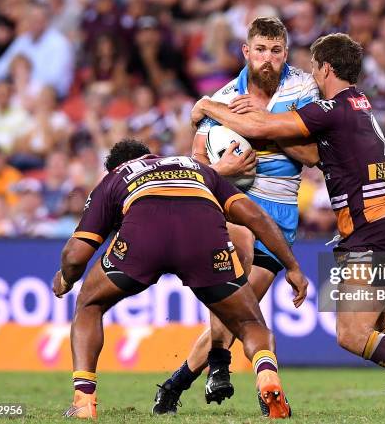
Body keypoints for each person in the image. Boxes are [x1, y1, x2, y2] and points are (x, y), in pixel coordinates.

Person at [191, 33, 385, 417]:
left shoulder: (331, 108)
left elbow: (261, 128)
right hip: (381, 225)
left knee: (352, 334)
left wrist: (208, 106)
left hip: (373, 231)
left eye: (315, 67)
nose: (312, 75)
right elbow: (304, 150)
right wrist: (273, 132)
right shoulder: (358, 105)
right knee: (381, 317)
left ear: (326, 68)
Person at [52, 139, 308, 419]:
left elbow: (76, 255)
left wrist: (66, 279)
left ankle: (84, 400)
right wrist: (292, 266)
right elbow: (255, 217)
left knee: (89, 305)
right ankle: (266, 375)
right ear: (153, 155)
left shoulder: (116, 177)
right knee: (250, 323)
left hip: (144, 237)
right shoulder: (196, 168)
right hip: (204, 239)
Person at [156, 17, 318, 413]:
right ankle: (259, 388)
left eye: (276, 50)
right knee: (240, 308)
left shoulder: (304, 88)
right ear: (246, 51)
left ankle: (178, 384)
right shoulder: (225, 97)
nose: (268, 59)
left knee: (237, 311)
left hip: (280, 219)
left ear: (285, 52)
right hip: (234, 211)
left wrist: (261, 127)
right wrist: (223, 166)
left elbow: (313, 156)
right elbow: (197, 169)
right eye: (260, 50)